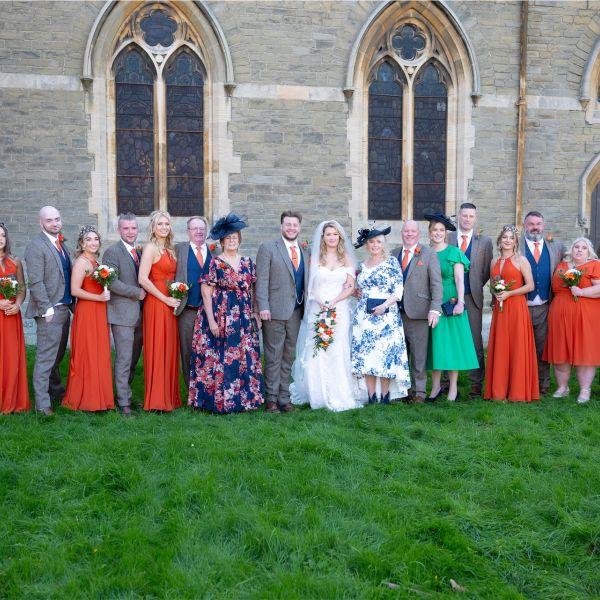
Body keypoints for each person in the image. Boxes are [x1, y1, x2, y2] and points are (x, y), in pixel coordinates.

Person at [188, 214, 264, 414]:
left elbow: (253, 288)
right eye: (228, 238)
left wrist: (255, 311)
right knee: (218, 357)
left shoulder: (247, 262)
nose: (232, 241)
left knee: (243, 356)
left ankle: (244, 400)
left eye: (235, 238)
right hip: (220, 315)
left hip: (243, 318)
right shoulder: (214, 263)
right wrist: (212, 321)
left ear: (239, 240)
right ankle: (217, 401)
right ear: (222, 242)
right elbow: (206, 291)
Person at [290, 220, 362, 411]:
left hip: (339, 309)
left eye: (335, 234)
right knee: (318, 349)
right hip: (317, 307)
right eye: (328, 234)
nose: (331, 237)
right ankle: (317, 394)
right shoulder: (315, 257)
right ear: (323, 237)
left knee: (337, 349)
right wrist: (320, 300)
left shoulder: (346, 258)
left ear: (339, 237)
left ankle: (339, 393)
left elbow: (350, 286)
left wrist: (335, 301)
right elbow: (310, 284)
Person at [256, 210, 309, 413]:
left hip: (296, 311)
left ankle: (284, 398)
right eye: (288, 224)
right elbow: (261, 280)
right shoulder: (268, 248)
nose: (291, 228)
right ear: (281, 226)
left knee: (289, 356)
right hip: (274, 311)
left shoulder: (305, 251)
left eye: (295, 225)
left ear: (299, 227)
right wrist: (263, 307)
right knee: (273, 356)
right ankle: (270, 399)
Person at [352, 225, 410, 404]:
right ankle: (371, 396)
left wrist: (384, 306)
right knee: (367, 355)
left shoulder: (392, 263)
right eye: (371, 242)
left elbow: (398, 290)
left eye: (378, 242)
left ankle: (384, 395)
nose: (375, 245)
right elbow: (360, 288)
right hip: (365, 316)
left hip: (386, 316)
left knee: (385, 356)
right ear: (367, 245)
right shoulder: (362, 266)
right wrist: (356, 292)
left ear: (383, 244)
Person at [24, 206, 74, 416]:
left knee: (57, 355)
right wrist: (47, 309)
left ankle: (55, 392)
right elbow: (35, 282)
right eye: (49, 220)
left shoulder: (61, 244)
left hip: (64, 308)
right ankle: (42, 405)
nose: (54, 223)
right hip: (50, 311)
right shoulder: (36, 246)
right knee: (46, 357)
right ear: (41, 223)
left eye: (57, 219)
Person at [424, 213, 479, 402]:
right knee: (435, 345)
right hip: (432, 302)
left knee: (453, 345)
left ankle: (453, 388)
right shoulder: (425, 252)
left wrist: (461, 301)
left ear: (445, 233)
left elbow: (458, 279)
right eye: (434, 230)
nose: (437, 233)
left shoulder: (454, 252)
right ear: (429, 233)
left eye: (441, 230)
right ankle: (436, 386)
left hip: (451, 301)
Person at [62, 227, 114, 411]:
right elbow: (75, 291)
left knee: (99, 352)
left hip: (99, 311)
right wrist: (99, 298)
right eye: (88, 240)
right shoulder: (81, 262)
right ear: (82, 243)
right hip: (87, 311)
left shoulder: (95, 261)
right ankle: (85, 399)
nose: (93, 243)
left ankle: (100, 396)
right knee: (88, 352)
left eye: (96, 239)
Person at [484, 225, 538, 402]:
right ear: (499, 241)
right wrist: (496, 292)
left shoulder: (521, 260)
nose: (508, 240)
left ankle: (517, 391)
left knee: (516, 346)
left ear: (515, 242)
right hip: (500, 309)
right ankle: (499, 391)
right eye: (505, 237)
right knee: (501, 346)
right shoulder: (494, 262)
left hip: (516, 307)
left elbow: (530, 285)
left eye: (511, 238)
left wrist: (509, 293)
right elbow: (493, 284)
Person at [543, 237, 600, 403]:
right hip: (560, 314)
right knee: (561, 352)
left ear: (589, 252)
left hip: (586, 316)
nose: (579, 250)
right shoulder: (561, 266)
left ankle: (585, 389)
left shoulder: (594, 265)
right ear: (571, 250)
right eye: (576, 247)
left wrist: (582, 292)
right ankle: (562, 387)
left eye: (584, 248)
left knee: (585, 352)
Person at [447, 203, 493, 397]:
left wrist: (472, 286)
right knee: (448, 338)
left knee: (475, 340)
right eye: (464, 216)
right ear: (459, 216)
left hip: (472, 296)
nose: (467, 219)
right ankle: (445, 382)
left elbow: (485, 271)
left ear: (475, 218)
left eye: (471, 216)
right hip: (448, 297)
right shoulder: (448, 237)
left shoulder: (484, 241)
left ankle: (475, 383)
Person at [138, 211, 182, 412]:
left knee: (169, 347)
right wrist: (164, 298)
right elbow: (142, 279)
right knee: (158, 347)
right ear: (153, 227)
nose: (164, 227)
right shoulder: (150, 248)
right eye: (160, 224)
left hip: (170, 302)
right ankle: (156, 400)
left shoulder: (170, 248)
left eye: (167, 224)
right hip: (157, 302)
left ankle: (169, 397)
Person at [103, 213, 146, 416]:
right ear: (119, 230)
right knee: (124, 358)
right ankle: (123, 403)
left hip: (139, 313)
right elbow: (111, 282)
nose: (130, 232)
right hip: (121, 313)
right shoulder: (112, 252)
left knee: (133, 358)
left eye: (133, 228)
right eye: (126, 228)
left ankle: (126, 394)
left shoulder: (138, 252)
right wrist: (136, 292)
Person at [396, 220, 443, 403]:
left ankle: (419, 393)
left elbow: (436, 284)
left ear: (418, 233)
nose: (409, 234)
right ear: (402, 233)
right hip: (395, 314)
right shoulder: (393, 254)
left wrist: (435, 309)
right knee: (400, 355)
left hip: (419, 313)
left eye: (413, 231)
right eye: (406, 231)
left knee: (419, 356)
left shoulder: (428, 253)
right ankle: (402, 390)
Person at [522, 211, 566, 395]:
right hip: (521, 305)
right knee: (521, 346)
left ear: (543, 225)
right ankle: (522, 382)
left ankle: (544, 383)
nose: (535, 227)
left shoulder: (556, 246)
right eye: (531, 223)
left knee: (542, 346)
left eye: (538, 223)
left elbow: (570, 266)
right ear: (524, 226)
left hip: (546, 305)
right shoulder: (516, 246)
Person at [175, 216, 212, 388]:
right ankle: (192, 391)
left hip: (210, 311)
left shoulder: (216, 252)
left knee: (209, 350)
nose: (199, 231)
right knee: (188, 352)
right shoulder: (179, 250)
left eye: (202, 228)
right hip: (187, 310)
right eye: (194, 228)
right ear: (188, 232)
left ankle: (209, 388)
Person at [0, 223, 30, 413]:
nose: (0, 239)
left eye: (3, 235)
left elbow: (21, 287)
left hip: (11, 314)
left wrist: (18, 305)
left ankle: (12, 399)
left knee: (11, 357)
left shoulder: (15, 261)